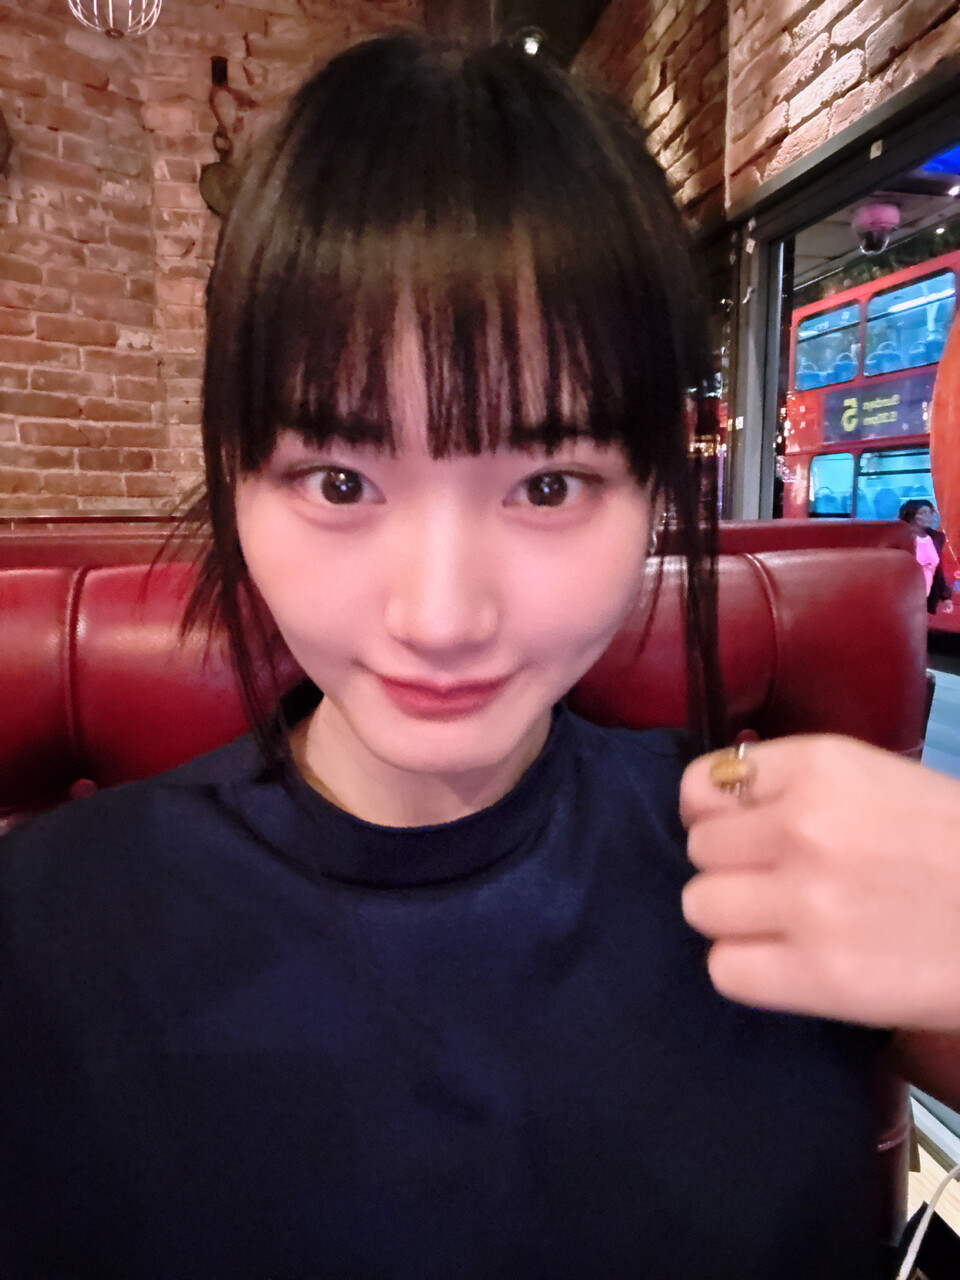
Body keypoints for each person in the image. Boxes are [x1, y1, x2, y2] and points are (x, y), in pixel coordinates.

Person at [1, 32, 959, 1280]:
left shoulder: (783, 860)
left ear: (654, 490)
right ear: (233, 476)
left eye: (546, 483)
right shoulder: (47, 927)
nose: (441, 615)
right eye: (340, 480)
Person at [899, 498, 954, 614]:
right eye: (923, 513)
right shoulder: (902, 540)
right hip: (905, 601)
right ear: (912, 516)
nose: (928, 517)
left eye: (930, 513)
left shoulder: (935, 539)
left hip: (926, 601)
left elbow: (938, 572)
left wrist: (946, 597)